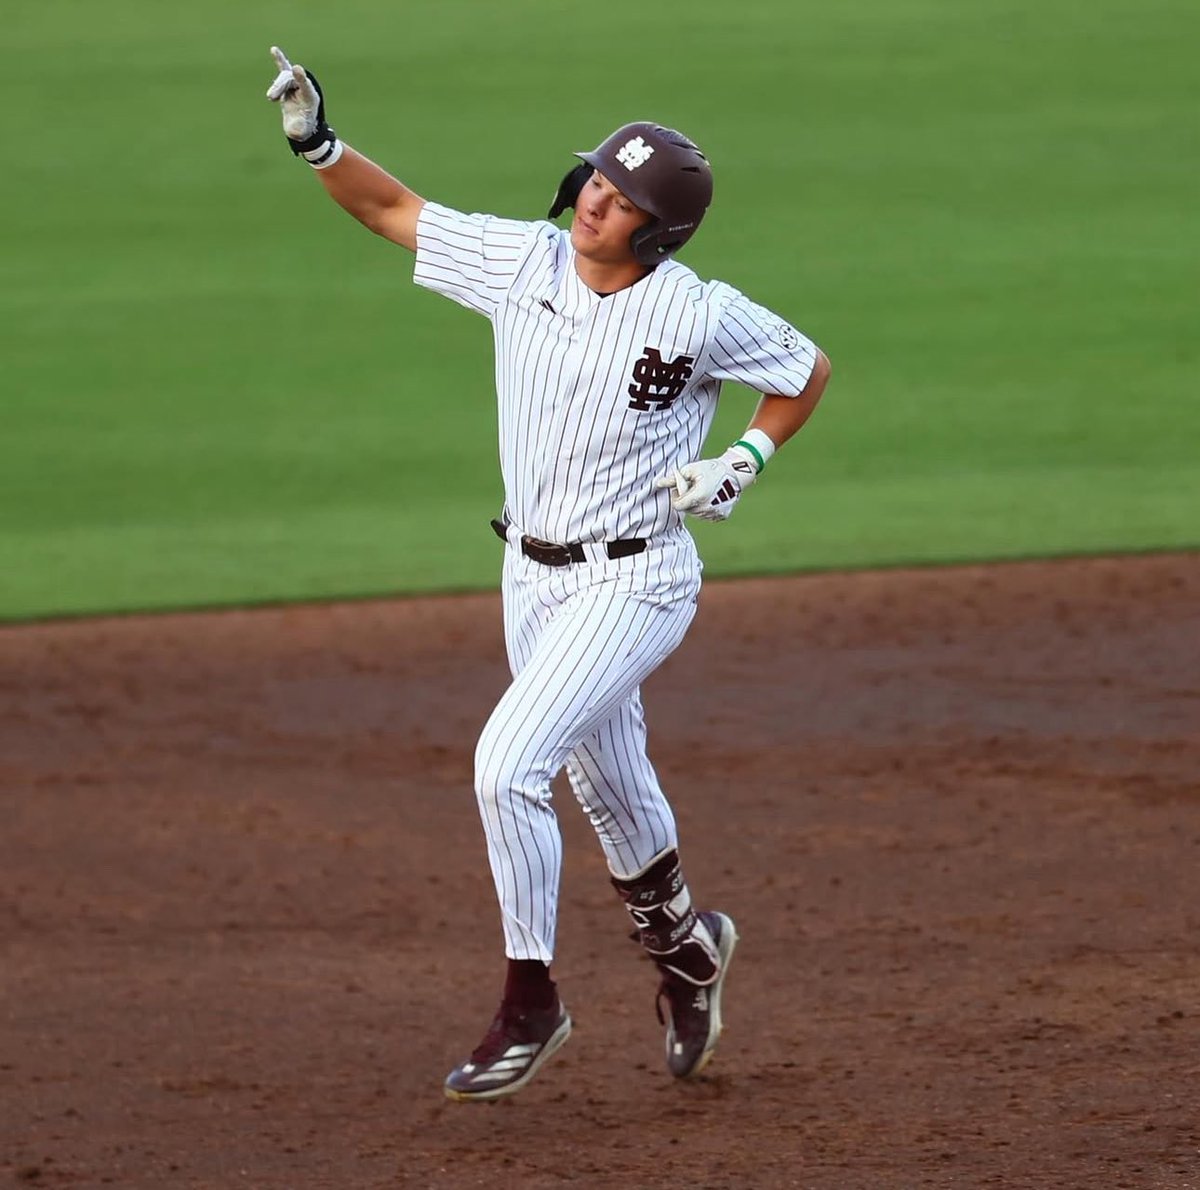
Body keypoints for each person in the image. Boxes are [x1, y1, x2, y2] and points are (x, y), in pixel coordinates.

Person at [265, 46, 831, 1103]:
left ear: (657, 232)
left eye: (620, 200)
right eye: (596, 182)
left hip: (638, 582)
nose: (595, 202)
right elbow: (394, 210)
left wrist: (741, 459)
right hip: (529, 578)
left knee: (506, 764)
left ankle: (532, 998)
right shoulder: (522, 261)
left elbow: (804, 371)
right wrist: (317, 142)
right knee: (609, 788)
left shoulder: (698, 311)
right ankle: (689, 955)